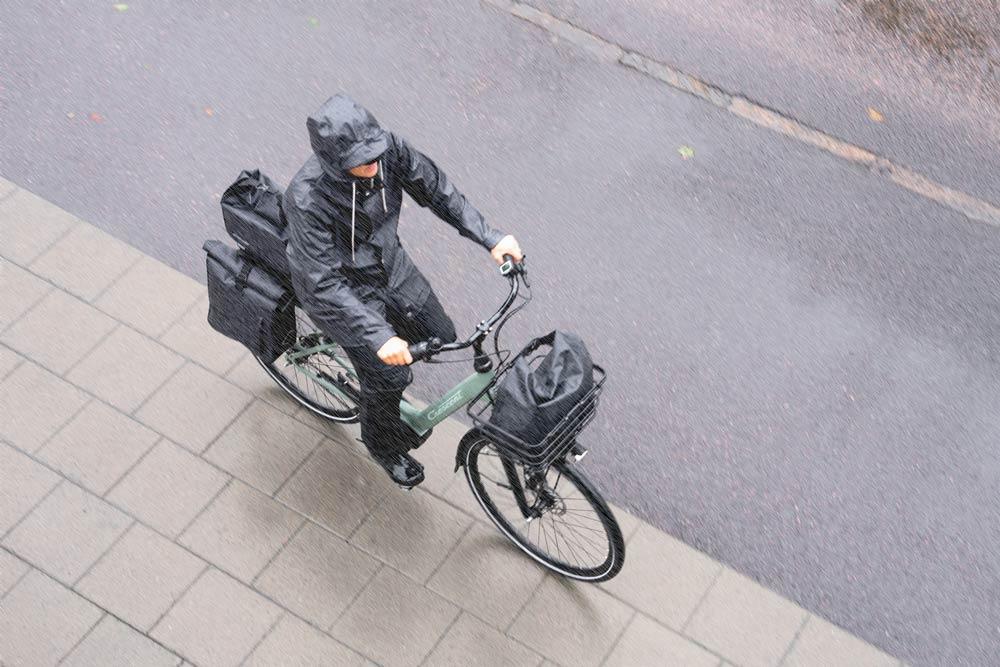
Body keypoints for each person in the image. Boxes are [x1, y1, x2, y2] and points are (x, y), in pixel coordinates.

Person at [283, 94, 523, 488]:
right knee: (388, 378)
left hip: (391, 267)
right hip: (341, 294)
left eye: (376, 152)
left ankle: (389, 377)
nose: (375, 165)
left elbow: (437, 191)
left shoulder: (387, 150)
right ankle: (381, 444)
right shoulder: (307, 200)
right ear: (333, 163)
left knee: (441, 336)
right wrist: (380, 336)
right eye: (362, 161)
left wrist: (491, 237)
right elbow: (323, 282)